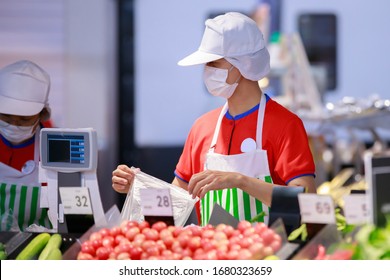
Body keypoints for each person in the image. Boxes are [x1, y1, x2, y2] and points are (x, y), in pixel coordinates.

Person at [112, 12, 316, 226]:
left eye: (213, 63)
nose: (206, 71)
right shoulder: (203, 127)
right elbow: (175, 204)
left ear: (242, 65)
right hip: (212, 254)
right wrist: (139, 189)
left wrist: (240, 181)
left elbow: (306, 201)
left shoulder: (284, 125)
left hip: (268, 255)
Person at [0, 60, 54, 231]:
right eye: (6, 116)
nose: (14, 123)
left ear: (42, 114)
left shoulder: (56, 146)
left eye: (24, 119)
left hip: (39, 249)